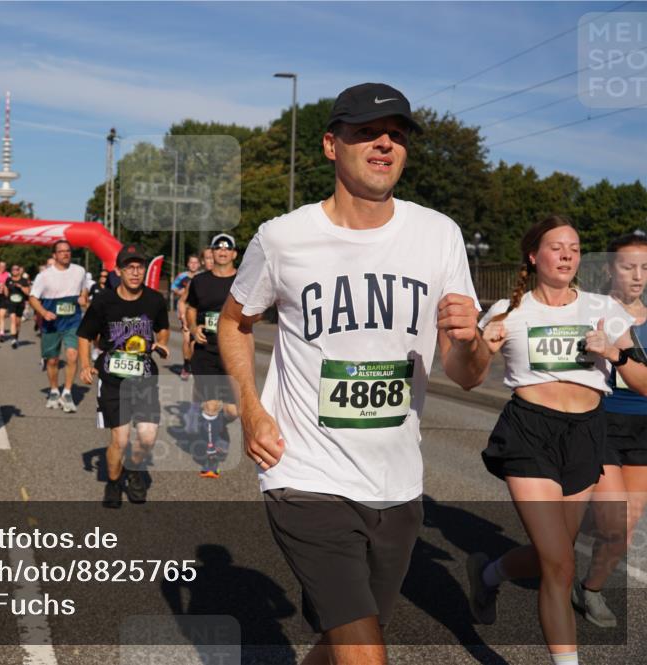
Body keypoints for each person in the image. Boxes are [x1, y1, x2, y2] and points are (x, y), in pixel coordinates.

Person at [221, 83, 490, 665]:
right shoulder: (282, 238)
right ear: (329, 145)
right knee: (366, 653)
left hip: (397, 483)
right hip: (305, 474)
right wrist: (251, 408)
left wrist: (470, 341)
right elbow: (233, 322)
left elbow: (467, 375)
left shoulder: (437, 234)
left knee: (347, 637)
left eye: (396, 134)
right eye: (367, 132)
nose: (384, 143)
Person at [467, 217, 646, 663]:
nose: (567, 255)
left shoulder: (603, 308)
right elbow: (467, 377)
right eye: (556, 247)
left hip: (586, 434)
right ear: (533, 256)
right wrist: (480, 349)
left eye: (575, 248)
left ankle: (488, 575)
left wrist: (615, 353)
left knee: (556, 555)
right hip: (529, 433)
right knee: (561, 567)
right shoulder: (509, 313)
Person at [573, 231, 647, 628]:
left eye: (646, 267)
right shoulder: (591, 309)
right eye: (628, 266)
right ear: (610, 268)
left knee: (625, 526)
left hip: (643, 429)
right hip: (600, 422)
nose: (638, 276)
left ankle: (591, 590)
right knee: (610, 517)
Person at [78, 244, 169, 508]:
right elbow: (84, 334)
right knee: (120, 438)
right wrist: (85, 364)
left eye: (139, 267)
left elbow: (163, 330)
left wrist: (161, 343)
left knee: (148, 437)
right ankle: (114, 482)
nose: (135, 272)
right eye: (129, 267)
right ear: (118, 271)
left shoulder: (154, 300)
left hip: (144, 377)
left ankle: (136, 469)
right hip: (113, 379)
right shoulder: (104, 301)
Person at [186, 234, 240, 478]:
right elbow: (191, 308)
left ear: (234, 254)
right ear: (212, 253)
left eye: (227, 249)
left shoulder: (243, 280)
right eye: (218, 248)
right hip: (206, 351)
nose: (222, 252)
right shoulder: (200, 281)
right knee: (211, 403)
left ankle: (216, 425)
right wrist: (193, 327)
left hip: (233, 353)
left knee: (232, 411)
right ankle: (211, 458)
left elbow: (256, 310)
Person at [30, 240, 89, 413]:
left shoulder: (79, 271)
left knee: (72, 355)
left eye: (68, 251)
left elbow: (83, 290)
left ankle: (68, 392)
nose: (65, 254)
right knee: (52, 360)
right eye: (61, 251)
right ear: (54, 255)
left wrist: (83, 297)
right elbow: (33, 298)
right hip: (52, 321)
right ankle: (54, 390)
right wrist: (43, 312)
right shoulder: (44, 276)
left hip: (73, 320)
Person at [173, 254, 202, 380]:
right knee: (186, 338)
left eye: (196, 262)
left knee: (195, 339)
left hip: (197, 310)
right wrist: (183, 293)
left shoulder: (202, 276)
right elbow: (173, 287)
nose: (194, 265)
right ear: (188, 264)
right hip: (184, 307)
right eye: (191, 262)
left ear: (199, 264)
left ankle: (194, 364)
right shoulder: (182, 276)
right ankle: (186, 366)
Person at [5, 264, 31, 349]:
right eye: (13, 269)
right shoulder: (8, 280)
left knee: (18, 323)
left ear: (19, 270)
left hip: (20, 303)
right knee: (12, 319)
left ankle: (16, 338)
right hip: (11, 303)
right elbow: (6, 290)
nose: (15, 271)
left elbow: (28, 292)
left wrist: (21, 287)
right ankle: (13, 339)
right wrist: (5, 297)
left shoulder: (24, 280)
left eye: (16, 269)